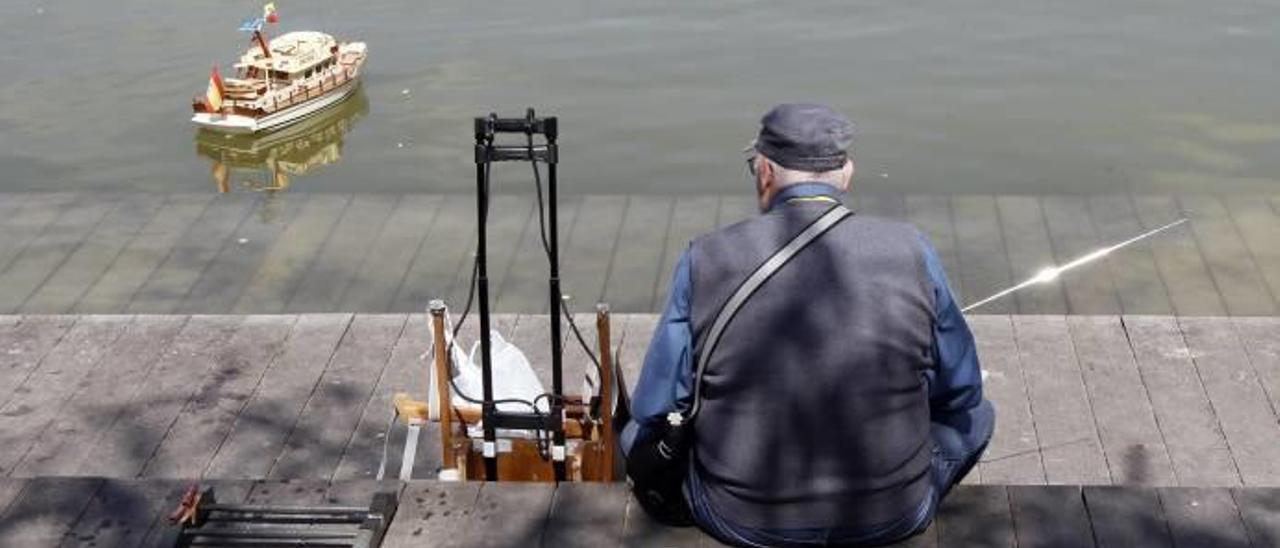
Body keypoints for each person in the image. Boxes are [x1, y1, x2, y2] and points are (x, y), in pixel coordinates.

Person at [620, 103, 995, 547]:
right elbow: (964, 389)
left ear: (765, 174)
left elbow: (654, 405)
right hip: (892, 514)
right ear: (848, 174)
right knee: (977, 418)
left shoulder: (704, 256)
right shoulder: (912, 248)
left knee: (632, 435)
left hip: (738, 517)